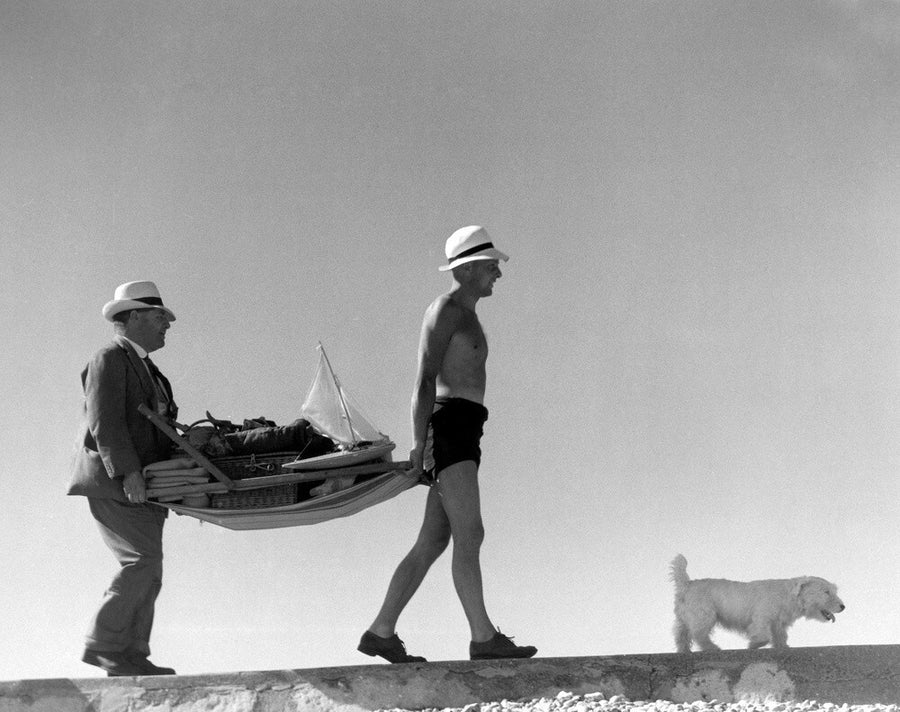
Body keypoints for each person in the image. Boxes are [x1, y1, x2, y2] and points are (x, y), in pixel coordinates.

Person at [358, 225, 537, 663]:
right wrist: (421, 444)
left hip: (466, 427)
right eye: (492, 264)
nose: (499, 272)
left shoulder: (469, 315)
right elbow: (422, 378)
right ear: (470, 266)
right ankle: (483, 638)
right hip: (449, 425)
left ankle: (380, 631)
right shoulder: (446, 310)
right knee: (470, 532)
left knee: (434, 540)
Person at [68, 280, 179, 677]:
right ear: (132, 316)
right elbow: (104, 422)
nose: (166, 324)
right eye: (159, 317)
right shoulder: (109, 358)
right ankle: (104, 645)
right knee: (142, 563)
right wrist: (129, 472)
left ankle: (131, 653)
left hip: (145, 486)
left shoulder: (147, 368)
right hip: (117, 481)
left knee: (151, 569)